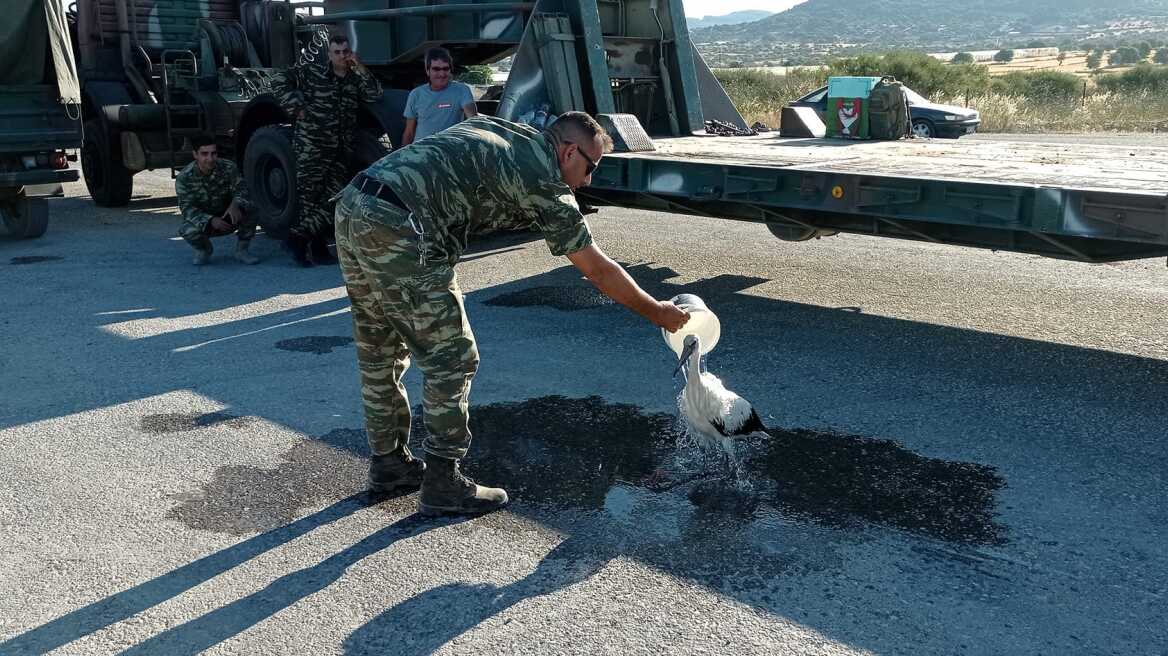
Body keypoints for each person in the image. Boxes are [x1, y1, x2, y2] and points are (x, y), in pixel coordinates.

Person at [334, 112, 690, 516]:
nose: (588, 180)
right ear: (569, 152)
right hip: (403, 223)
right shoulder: (544, 182)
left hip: (355, 203)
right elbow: (598, 270)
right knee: (452, 358)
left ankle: (389, 465)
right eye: (590, 167)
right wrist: (657, 311)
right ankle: (443, 483)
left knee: (380, 349)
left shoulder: (510, 132)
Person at [271, 33, 383, 266]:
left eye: (345, 52)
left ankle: (298, 238)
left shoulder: (355, 77)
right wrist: (295, 106)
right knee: (309, 198)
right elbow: (279, 79)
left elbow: (374, 93)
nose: (341, 56)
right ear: (329, 54)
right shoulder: (312, 72)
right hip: (312, 145)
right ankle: (314, 249)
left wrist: (360, 67)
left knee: (334, 196)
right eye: (337, 52)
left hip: (341, 148)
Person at [175, 133, 259, 266]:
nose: (210, 158)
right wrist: (211, 220)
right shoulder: (184, 178)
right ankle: (204, 250)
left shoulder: (228, 167)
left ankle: (242, 250)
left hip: (229, 215)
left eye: (213, 153)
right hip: (206, 221)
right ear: (195, 155)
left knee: (252, 207)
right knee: (187, 230)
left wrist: (235, 204)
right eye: (204, 154)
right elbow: (187, 210)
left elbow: (242, 189)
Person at [400, 48, 478, 146]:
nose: (442, 74)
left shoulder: (461, 90)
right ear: (427, 71)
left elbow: (473, 119)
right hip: (421, 150)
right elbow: (409, 132)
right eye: (436, 69)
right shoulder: (416, 94)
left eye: (445, 69)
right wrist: (402, 154)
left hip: (448, 149)